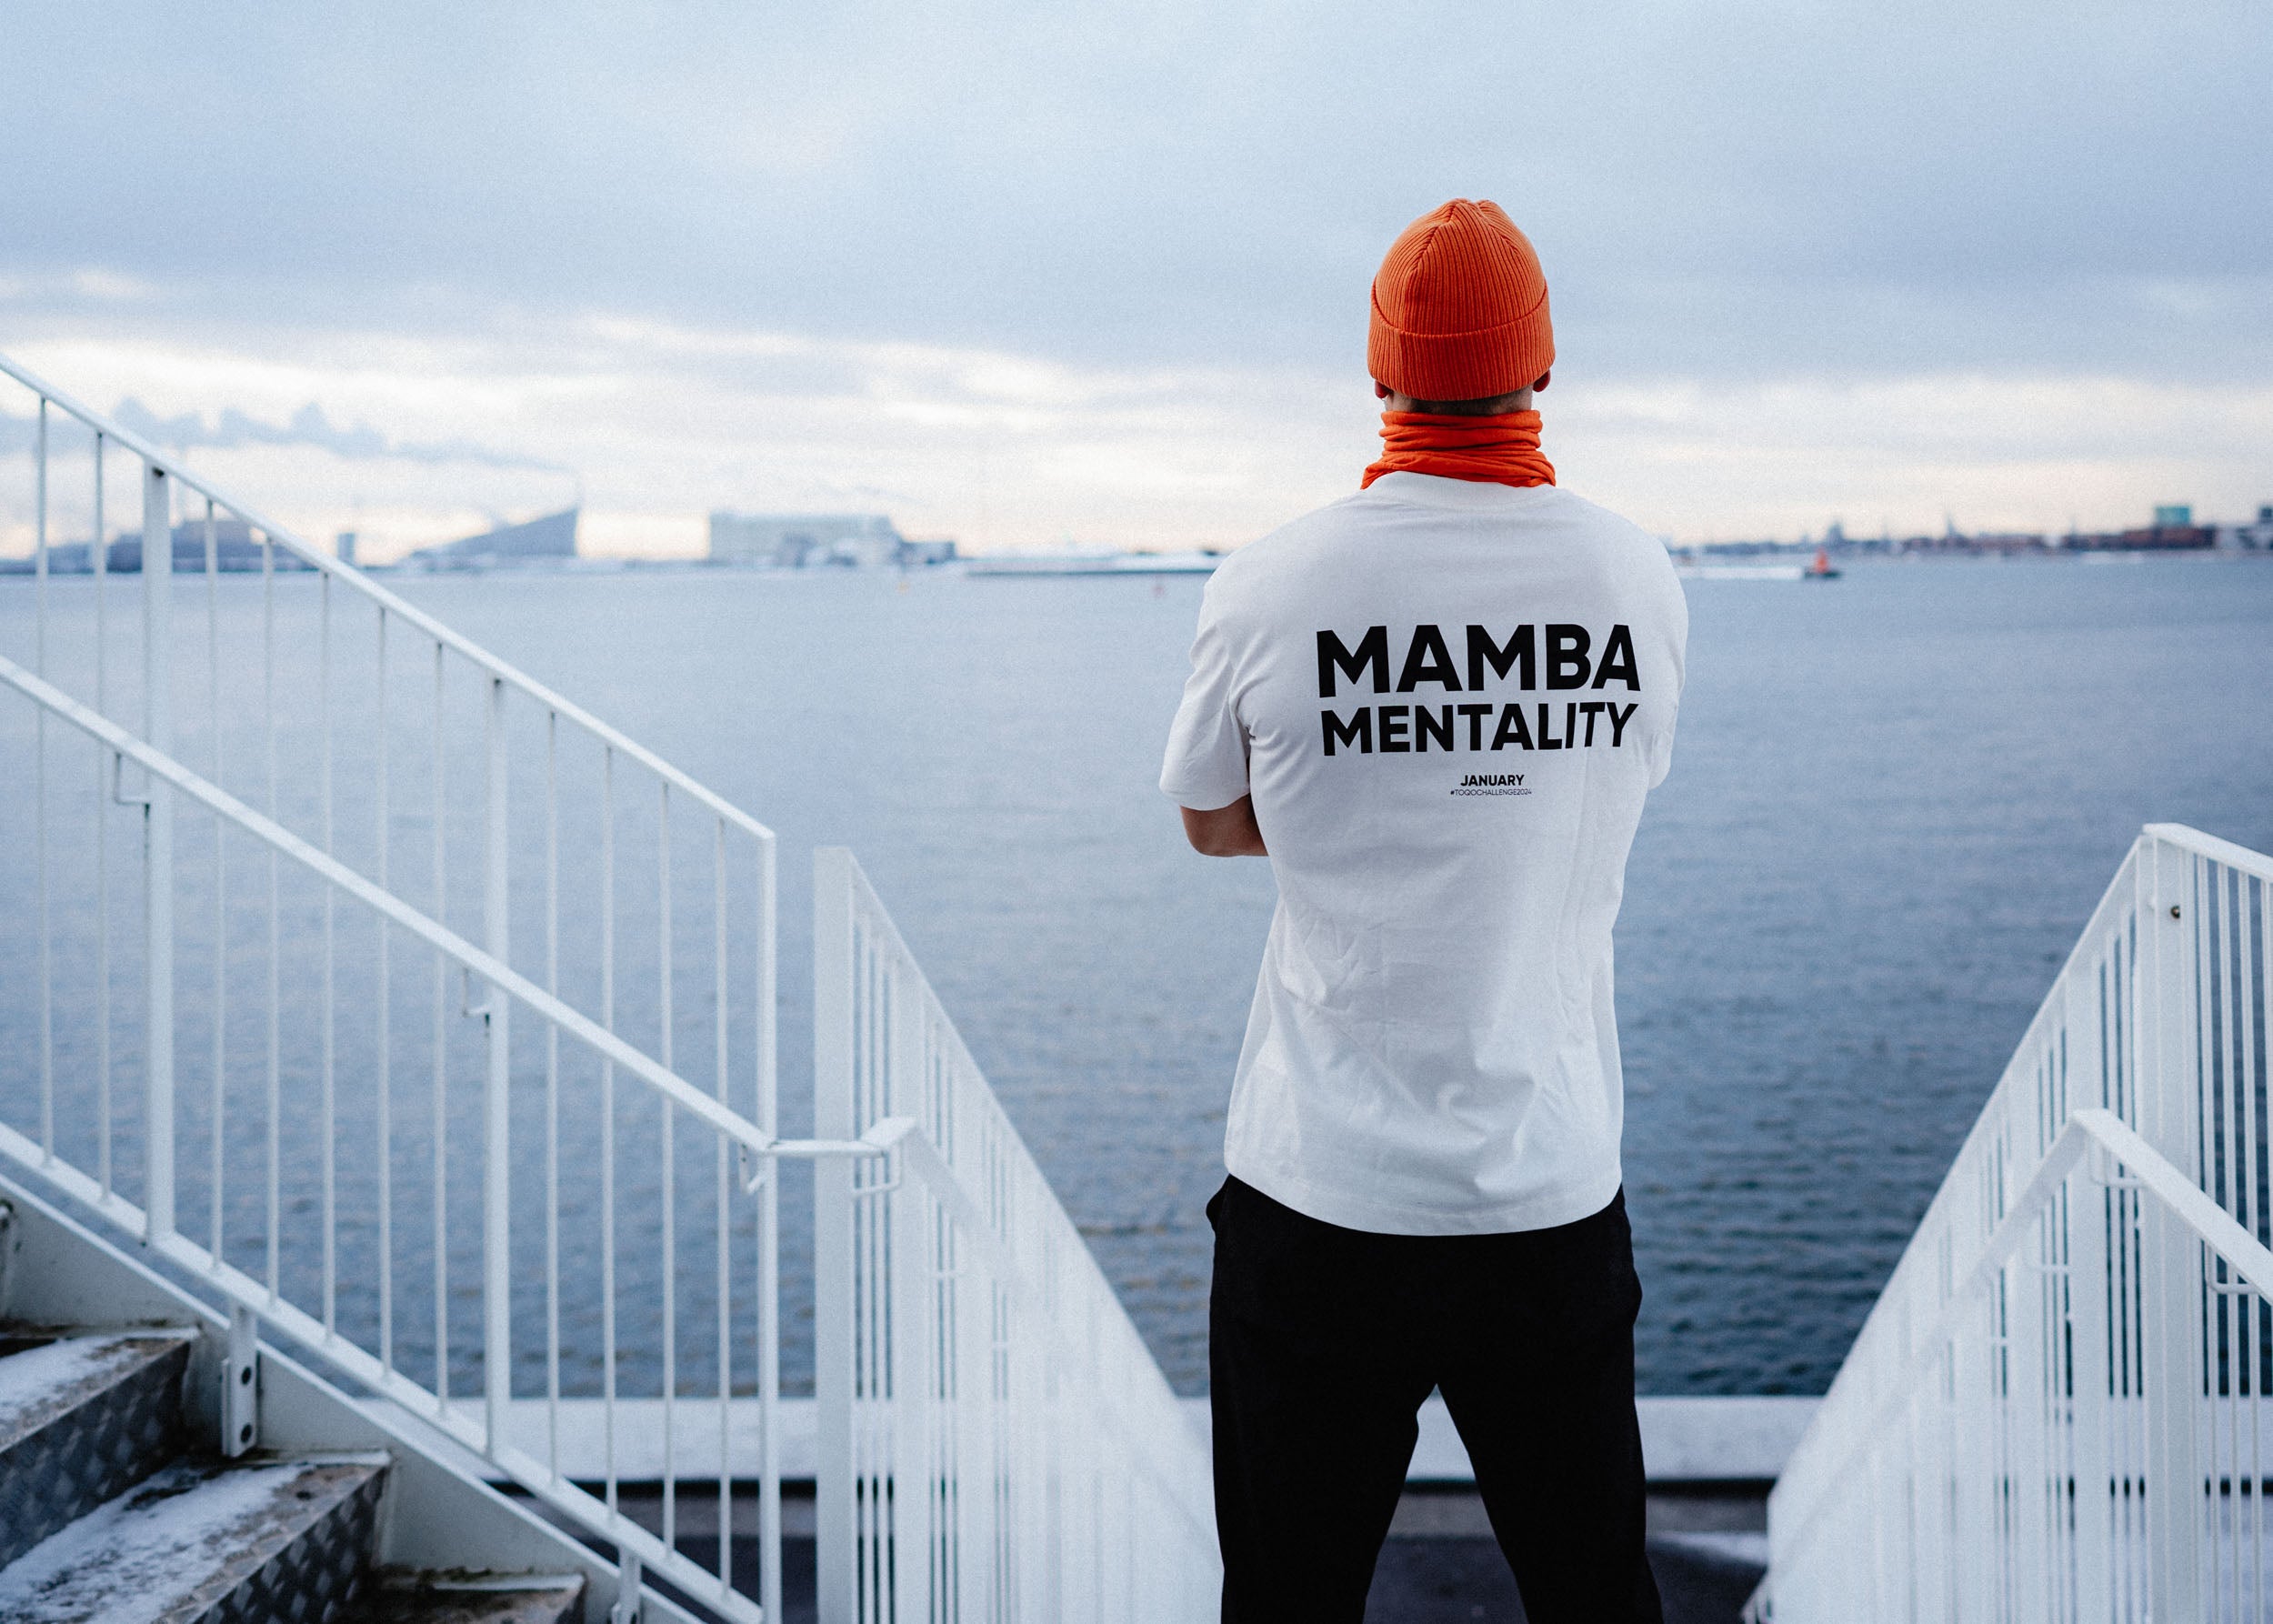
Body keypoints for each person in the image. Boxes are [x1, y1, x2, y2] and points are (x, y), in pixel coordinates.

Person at [1159, 198, 1687, 1623]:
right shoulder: (1635, 578)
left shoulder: (1269, 583)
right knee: (1593, 1593)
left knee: (1286, 1596)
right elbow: (1595, 797)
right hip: (1547, 1186)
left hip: (1319, 1194)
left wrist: (1351, 807)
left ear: (1381, 372)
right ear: (1543, 366)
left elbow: (1212, 819)